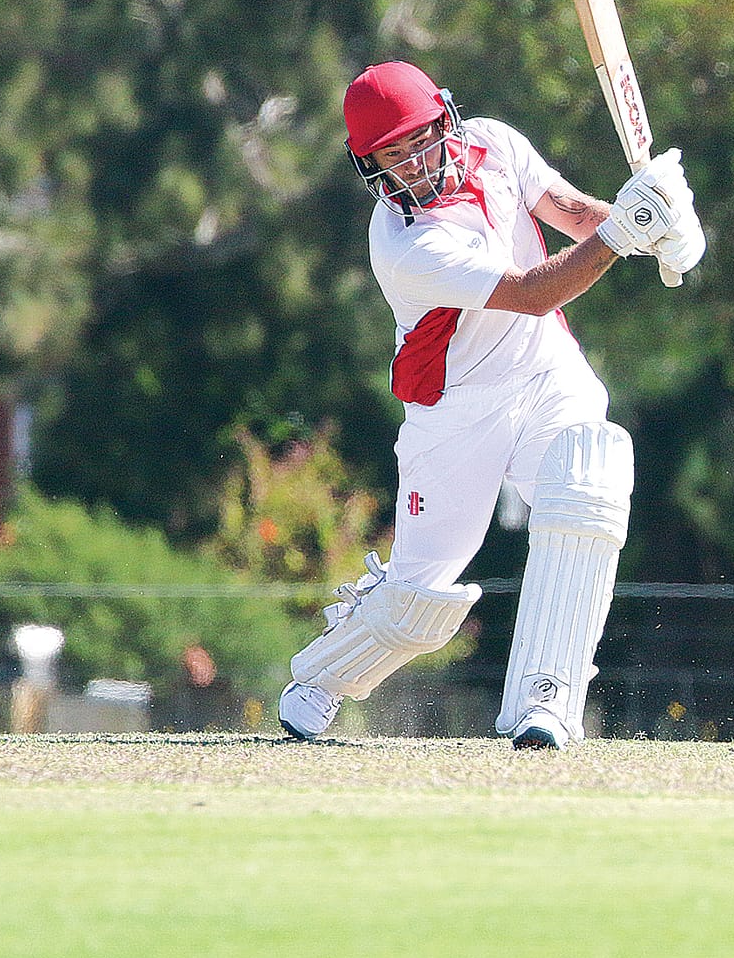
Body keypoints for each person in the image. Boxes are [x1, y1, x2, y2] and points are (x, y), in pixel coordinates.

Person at [277, 61, 704, 749]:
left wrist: (663, 225)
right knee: (420, 601)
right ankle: (319, 679)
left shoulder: (495, 145)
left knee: (588, 484)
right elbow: (535, 289)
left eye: (421, 138)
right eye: (394, 153)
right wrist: (627, 231)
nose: (414, 162)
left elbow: (575, 216)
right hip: (457, 410)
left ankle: (547, 701)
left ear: (446, 119)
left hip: (544, 368)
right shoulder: (407, 243)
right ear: (371, 165)